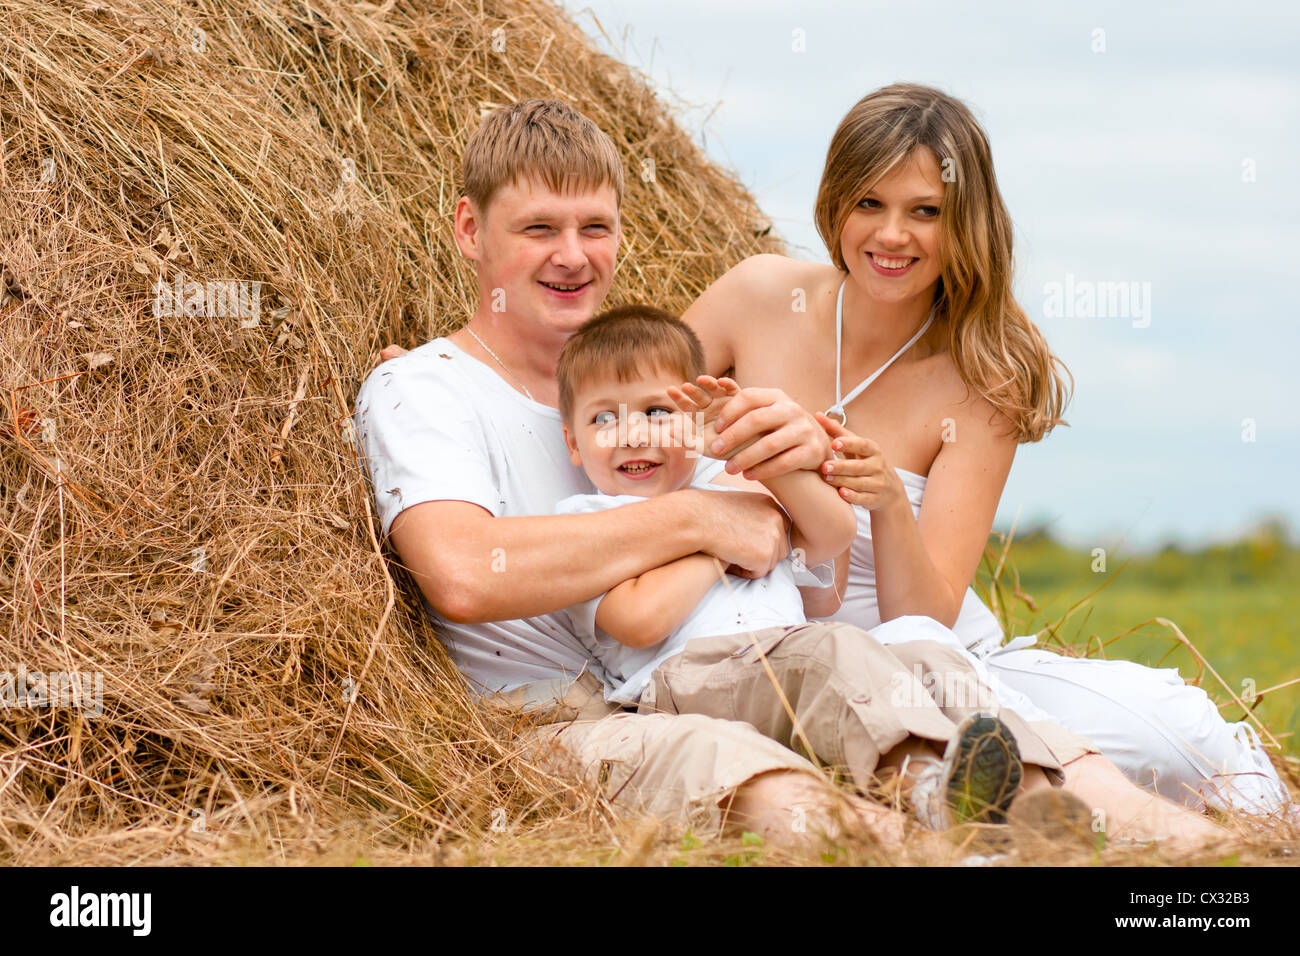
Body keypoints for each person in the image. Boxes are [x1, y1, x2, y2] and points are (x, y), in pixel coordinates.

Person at [359, 97, 1223, 846]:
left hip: (748, 664)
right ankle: (962, 851)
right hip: (581, 711)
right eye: (539, 229)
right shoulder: (428, 390)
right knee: (758, 773)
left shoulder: (648, 387)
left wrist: (801, 477)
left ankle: (1126, 838)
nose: (573, 256)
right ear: (470, 231)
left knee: (890, 667)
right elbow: (466, 575)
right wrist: (707, 525)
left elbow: (809, 539)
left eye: (596, 228)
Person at [676, 82, 1290, 818]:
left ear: (964, 220)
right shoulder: (756, 294)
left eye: (925, 211)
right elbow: (619, 419)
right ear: (834, 201)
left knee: (1168, 741)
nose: (892, 235)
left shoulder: (977, 378)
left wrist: (882, 502)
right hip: (766, 656)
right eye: (868, 203)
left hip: (927, 656)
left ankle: (1265, 820)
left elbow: (925, 614)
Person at [551, 302, 1050, 828]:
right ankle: (932, 793)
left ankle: (1035, 798)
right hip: (687, 680)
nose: (633, 433)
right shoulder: (588, 520)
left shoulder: (730, 486)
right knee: (830, 650)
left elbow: (833, 532)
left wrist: (754, 453)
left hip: (779, 662)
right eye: (604, 417)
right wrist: (719, 545)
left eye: (657, 412)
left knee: (925, 649)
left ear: (695, 422)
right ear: (573, 444)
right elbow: (638, 619)